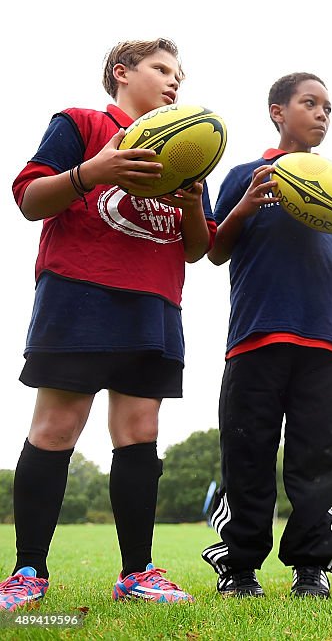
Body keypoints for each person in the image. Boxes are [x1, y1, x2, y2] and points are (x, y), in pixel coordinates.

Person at [1, 38, 211, 610]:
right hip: (79, 294)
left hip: (156, 305)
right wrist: (93, 170)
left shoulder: (192, 147)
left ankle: (138, 572)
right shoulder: (80, 123)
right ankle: (26, 572)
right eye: (162, 69)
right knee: (55, 429)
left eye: (180, 76)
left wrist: (192, 200)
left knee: (140, 431)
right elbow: (28, 197)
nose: (174, 83)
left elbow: (197, 248)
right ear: (122, 73)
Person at [200, 72, 332, 599]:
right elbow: (214, 248)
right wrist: (247, 204)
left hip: (325, 337)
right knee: (247, 454)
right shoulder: (246, 176)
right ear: (278, 111)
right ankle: (239, 567)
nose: (322, 113)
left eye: (327, 107)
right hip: (257, 335)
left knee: (319, 458)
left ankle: (311, 566)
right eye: (309, 103)